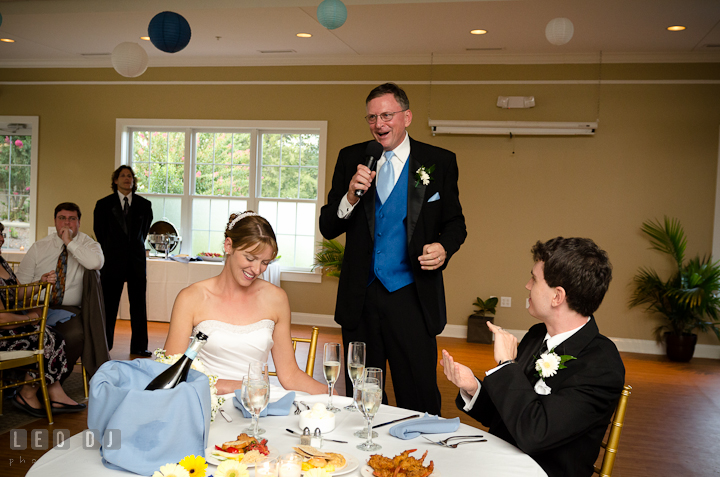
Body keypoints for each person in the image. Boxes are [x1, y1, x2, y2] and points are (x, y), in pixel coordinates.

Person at [319, 82, 466, 414]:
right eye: (371, 117)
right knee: (363, 394)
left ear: (407, 116)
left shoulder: (437, 162)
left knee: (419, 392)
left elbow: (455, 224)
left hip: (412, 295)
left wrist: (444, 247)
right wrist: (350, 197)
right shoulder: (352, 158)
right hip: (361, 296)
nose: (379, 124)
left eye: (386, 115)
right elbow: (329, 225)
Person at [442, 237, 625, 477]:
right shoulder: (537, 335)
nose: (528, 285)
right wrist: (472, 387)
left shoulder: (601, 365)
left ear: (557, 296)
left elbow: (534, 434)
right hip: (496, 463)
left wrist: (507, 366)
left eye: (534, 279)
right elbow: (507, 417)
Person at [163, 211, 327, 396]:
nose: (257, 270)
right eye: (250, 258)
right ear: (228, 245)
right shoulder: (191, 298)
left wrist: (333, 395)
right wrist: (241, 387)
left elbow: (289, 375)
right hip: (207, 402)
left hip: (255, 406)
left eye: (265, 262)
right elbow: (172, 373)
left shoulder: (276, 299)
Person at [0, 222, 86, 416]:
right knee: (49, 340)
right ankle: (29, 393)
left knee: (54, 337)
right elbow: (2, 319)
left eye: (2, 234)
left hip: (10, 328)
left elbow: (16, 293)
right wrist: (31, 318)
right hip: (2, 335)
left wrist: (40, 283)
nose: (2, 239)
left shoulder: (1, 261)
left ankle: (49, 394)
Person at [17, 202, 105, 381]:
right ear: (55, 221)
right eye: (62, 218)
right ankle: (25, 379)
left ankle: (54, 381)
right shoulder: (39, 247)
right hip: (37, 306)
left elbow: (96, 263)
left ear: (79, 222)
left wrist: (69, 243)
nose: (66, 223)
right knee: (23, 334)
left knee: (75, 335)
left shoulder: (88, 244)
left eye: (72, 219)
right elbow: (20, 287)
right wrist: (38, 283)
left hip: (69, 310)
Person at [94, 165, 153, 356]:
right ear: (115, 181)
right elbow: (100, 233)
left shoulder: (145, 205)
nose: (127, 179)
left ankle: (139, 346)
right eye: (123, 176)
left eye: (130, 176)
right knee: (109, 307)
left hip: (136, 262)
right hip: (112, 261)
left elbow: (142, 233)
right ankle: (106, 345)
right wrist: (115, 249)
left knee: (139, 306)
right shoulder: (103, 204)